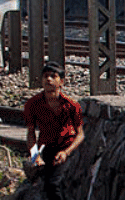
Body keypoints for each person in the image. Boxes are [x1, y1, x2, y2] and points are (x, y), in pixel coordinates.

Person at [24, 60, 85, 200]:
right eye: (45, 76)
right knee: (45, 186)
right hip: (47, 149)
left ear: (61, 81)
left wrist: (66, 152)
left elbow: (80, 134)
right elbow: (31, 133)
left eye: (53, 76)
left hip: (68, 149)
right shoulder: (32, 104)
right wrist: (35, 156)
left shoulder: (71, 105)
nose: (49, 79)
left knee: (55, 184)